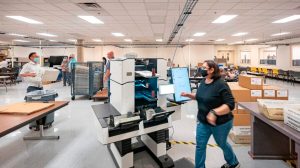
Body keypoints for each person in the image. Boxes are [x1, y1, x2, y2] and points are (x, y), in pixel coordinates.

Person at [181, 60, 240, 168]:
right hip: (203, 121)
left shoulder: (221, 84)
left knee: (222, 143)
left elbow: (230, 104)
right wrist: (189, 95)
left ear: (212, 70)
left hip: (221, 123)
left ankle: (233, 162)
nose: (201, 69)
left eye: (204, 68)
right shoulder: (204, 81)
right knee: (200, 146)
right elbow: (201, 96)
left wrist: (214, 112)